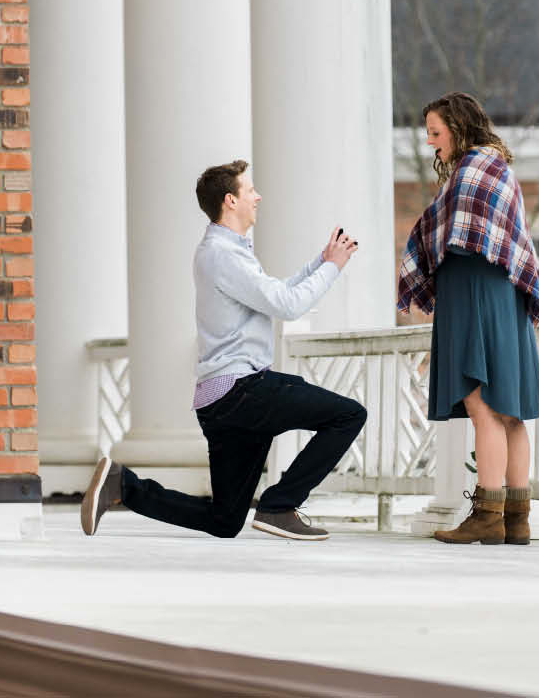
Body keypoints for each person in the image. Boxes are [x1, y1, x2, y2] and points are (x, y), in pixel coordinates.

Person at [81, 160, 366, 541]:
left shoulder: (228, 251)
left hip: (222, 401)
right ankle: (280, 505)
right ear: (231, 200)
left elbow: (274, 293)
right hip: (241, 392)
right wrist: (333, 269)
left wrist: (321, 261)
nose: (257, 196)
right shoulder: (222, 254)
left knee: (225, 520)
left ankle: (122, 485)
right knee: (348, 415)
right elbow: (287, 305)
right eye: (250, 190)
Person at [398, 92, 539, 546]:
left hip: (475, 291)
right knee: (510, 412)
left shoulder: (471, 169)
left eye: (436, 133)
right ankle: (516, 519)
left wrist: (423, 245)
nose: (430, 143)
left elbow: (453, 230)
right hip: (502, 296)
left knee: (483, 407)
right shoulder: (499, 167)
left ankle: (487, 514)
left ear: (458, 129)